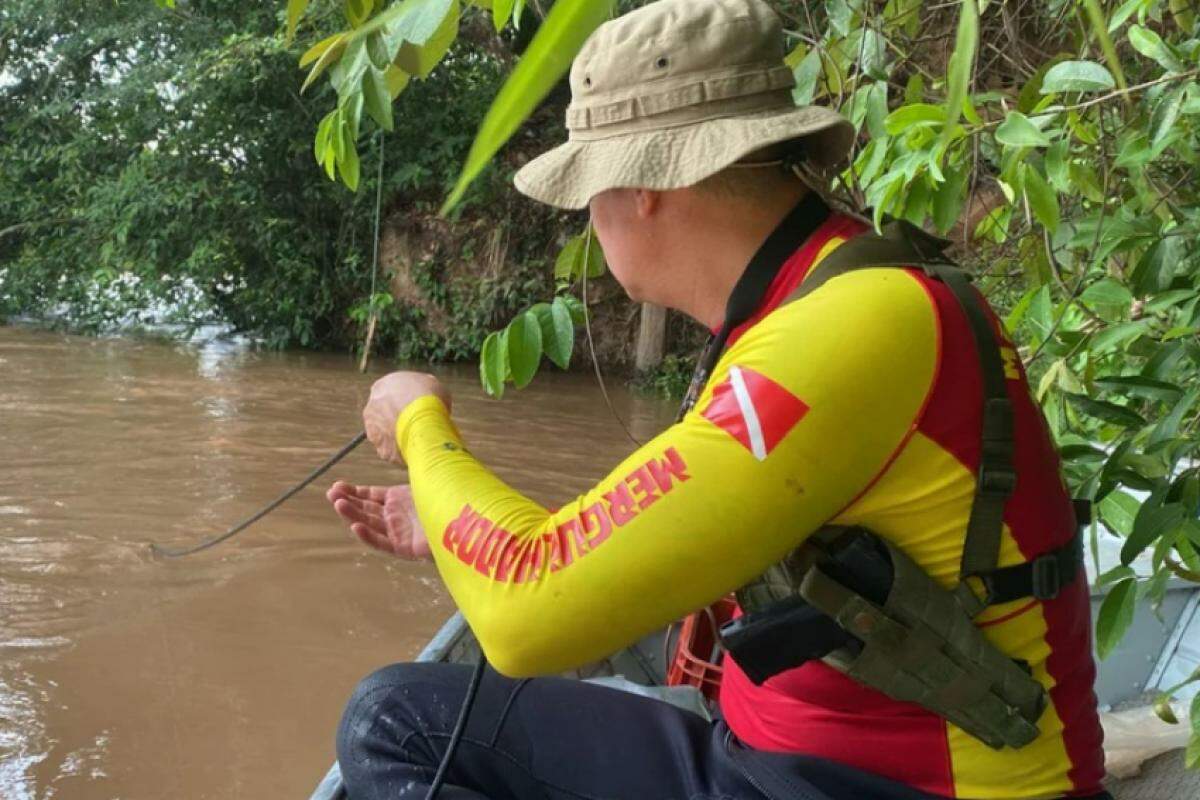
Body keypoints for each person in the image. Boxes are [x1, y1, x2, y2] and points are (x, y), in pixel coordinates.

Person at [326, 1, 1110, 798]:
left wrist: (420, 424)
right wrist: (452, 526)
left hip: (880, 785)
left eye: (588, 193)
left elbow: (525, 615)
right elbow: (653, 529)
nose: (590, 222)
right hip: (788, 759)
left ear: (642, 187)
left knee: (393, 722)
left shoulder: (846, 330)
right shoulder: (821, 293)